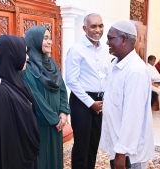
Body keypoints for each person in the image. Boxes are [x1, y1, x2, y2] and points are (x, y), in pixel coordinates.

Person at [100, 20, 154, 169]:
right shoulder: (115, 64)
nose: (107, 42)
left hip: (130, 153)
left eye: (110, 38)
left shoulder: (135, 71)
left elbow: (133, 116)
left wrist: (122, 152)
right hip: (118, 144)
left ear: (124, 39)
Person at [0, 35, 40, 169]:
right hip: (14, 160)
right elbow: (3, 143)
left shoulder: (13, 82)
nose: (27, 57)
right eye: (24, 52)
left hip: (24, 153)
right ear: (12, 55)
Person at [20, 26, 71, 169]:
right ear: (34, 40)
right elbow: (35, 97)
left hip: (57, 123)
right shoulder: (27, 67)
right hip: (40, 123)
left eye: (50, 38)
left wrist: (63, 112)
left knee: (55, 158)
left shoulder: (52, 63)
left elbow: (62, 88)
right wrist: (54, 120)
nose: (50, 42)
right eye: (45, 38)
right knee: (42, 159)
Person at [65, 13, 111, 169]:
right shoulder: (76, 49)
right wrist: (91, 103)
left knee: (93, 143)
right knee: (81, 145)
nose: (97, 30)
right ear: (85, 28)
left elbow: (107, 76)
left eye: (100, 25)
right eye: (93, 26)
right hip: (82, 101)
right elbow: (71, 80)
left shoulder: (105, 50)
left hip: (100, 101)